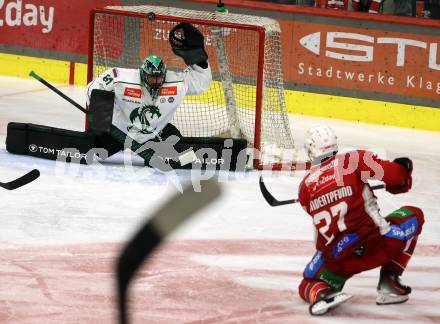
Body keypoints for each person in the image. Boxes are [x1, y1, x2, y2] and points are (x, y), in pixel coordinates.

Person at [6, 22, 247, 170]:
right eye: (151, 78)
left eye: (158, 78)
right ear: (143, 75)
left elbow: (201, 83)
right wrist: (104, 123)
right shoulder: (122, 77)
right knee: (88, 154)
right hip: (119, 132)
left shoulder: (175, 82)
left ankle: (217, 155)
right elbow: (93, 87)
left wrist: (198, 57)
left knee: (172, 157)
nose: (155, 82)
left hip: (156, 133)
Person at [297, 126, 424, 315]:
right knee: (415, 214)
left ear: (311, 150)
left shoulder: (304, 188)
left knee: (307, 282)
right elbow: (395, 176)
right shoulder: (352, 160)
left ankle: (322, 293)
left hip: (339, 259)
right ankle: (390, 281)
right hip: (378, 245)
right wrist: (403, 169)